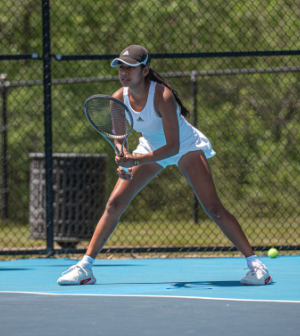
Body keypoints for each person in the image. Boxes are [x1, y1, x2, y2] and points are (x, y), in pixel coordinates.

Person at [58, 45, 272, 286]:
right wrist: (123, 158)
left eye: (130, 67)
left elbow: (172, 147)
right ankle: (85, 267)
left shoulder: (163, 96)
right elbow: (120, 139)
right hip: (149, 147)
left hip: (184, 147)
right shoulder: (118, 98)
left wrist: (135, 160)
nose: (124, 72)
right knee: (115, 203)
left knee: (213, 208)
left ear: (145, 69)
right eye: (121, 67)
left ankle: (257, 266)